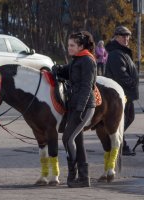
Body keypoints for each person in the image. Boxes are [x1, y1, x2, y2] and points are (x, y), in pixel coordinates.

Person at [52, 31, 97, 187]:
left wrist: (79, 110)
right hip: (74, 105)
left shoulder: (87, 61)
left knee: (67, 138)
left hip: (84, 106)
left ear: (81, 46)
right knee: (77, 140)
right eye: (68, 45)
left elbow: (86, 87)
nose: (69, 48)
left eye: (72, 45)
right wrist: (55, 69)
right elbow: (67, 71)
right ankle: (83, 179)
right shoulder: (78, 59)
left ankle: (74, 175)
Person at [105, 25, 139, 156]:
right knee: (122, 120)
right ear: (116, 37)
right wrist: (132, 83)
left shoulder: (122, 52)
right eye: (123, 36)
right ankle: (118, 143)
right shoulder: (115, 54)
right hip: (120, 94)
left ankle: (117, 142)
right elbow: (121, 75)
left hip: (125, 94)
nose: (126, 38)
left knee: (126, 118)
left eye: (128, 36)